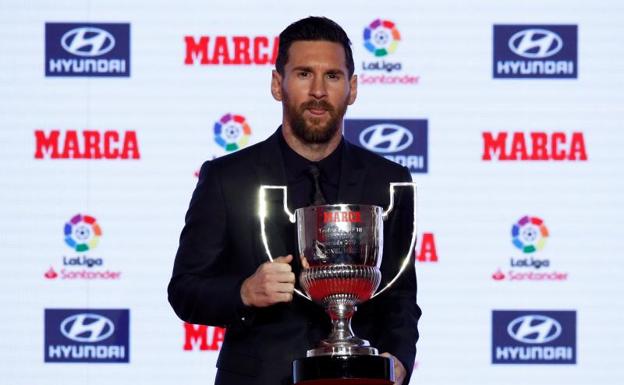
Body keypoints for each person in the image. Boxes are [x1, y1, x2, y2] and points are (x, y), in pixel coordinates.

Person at [168, 16, 421, 385]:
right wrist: (244, 292)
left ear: (352, 88)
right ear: (277, 84)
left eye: (332, 77)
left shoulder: (389, 180)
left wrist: (397, 362)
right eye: (304, 74)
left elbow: (400, 297)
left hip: (357, 379)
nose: (318, 91)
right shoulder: (227, 177)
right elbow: (185, 290)